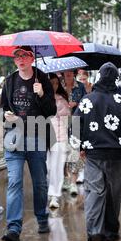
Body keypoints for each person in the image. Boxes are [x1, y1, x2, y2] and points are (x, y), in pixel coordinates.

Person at [73, 62, 121, 241]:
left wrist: (79, 146)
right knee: (113, 192)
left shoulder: (87, 100)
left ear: (99, 77)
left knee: (94, 192)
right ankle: (111, 230)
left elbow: (76, 125)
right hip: (115, 154)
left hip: (93, 154)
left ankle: (95, 231)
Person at [0, 46, 57, 241]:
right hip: (14, 138)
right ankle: (13, 228)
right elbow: (3, 111)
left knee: (39, 182)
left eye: (24, 55)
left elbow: (51, 111)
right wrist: (7, 116)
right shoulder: (9, 82)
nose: (20, 59)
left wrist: (41, 94)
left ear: (32, 58)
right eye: (17, 56)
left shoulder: (42, 80)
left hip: (37, 136)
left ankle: (42, 217)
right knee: (14, 181)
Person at [46, 73, 71, 209]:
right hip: (44, 138)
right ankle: (50, 192)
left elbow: (67, 121)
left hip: (60, 138)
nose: (53, 86)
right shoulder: (41, 97)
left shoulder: (62, 99)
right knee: (48, 168)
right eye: (51, 83)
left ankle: (54, 195)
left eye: (56, 83)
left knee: (57, 168)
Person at [62, 70, 87, 193]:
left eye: (71, 72)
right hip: (61, 123)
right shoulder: (58, 86)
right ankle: (65, 178)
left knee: (75, 152)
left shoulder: (80, 86)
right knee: (62, 152)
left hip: (76, 122)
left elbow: (85, 102)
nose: (68, 74)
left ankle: (73, 182)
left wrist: (75, 103)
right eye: (66, 72)